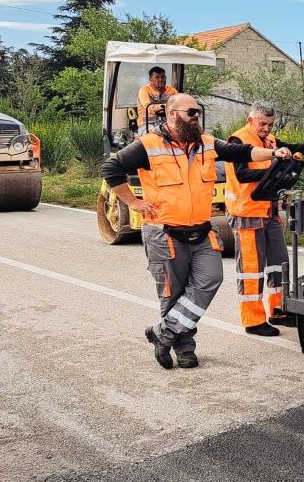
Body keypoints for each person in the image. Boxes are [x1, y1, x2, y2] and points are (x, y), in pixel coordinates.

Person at [102, 93, 290, 369]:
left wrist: (273, 152)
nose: (196, 116)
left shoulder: (207, 144)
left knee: (210, 279)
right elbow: (111, 168)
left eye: (198, 112)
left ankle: (161, 334)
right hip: (164, 231)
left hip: (201, 230)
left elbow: (242, 152)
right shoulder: (148, 145)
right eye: (190, 112)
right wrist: (133, 202)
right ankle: (185, 348)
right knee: (173, 294)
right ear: (171, 114)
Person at [225, 102, 304, 336]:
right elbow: (241, 174)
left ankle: (278, 309)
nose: (267, 128)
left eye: (270, 124)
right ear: (251, 120)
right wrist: (273, 171)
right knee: (251, 270)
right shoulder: (237, 141)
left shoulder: (271, 142)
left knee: (279, 264)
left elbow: (297, 147)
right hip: (246, 214)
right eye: (262, 124)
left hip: (269, 211)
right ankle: (253, 320)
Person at [136, 66, 178, 134]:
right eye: (157, 77)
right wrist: (167, 106)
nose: (161, 79)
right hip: (147, 124)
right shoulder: (144, 90)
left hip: (166, 123)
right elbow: (149, 107)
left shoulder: (172, 91)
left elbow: (179, 104)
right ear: (150, 79)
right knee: (154, 135)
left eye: (162, 76)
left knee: (181, 132)